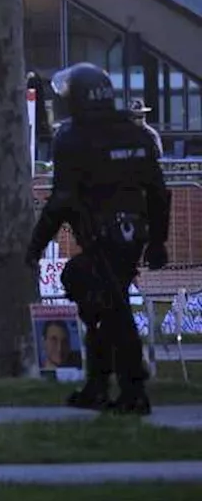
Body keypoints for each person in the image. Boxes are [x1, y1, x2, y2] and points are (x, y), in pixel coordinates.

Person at [26, 63, 169, 415]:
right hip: (133, 234)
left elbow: (61, 200)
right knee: (105, 305)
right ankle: (97, 386)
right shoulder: (136, 135)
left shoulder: (73, 138)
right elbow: (158, 193)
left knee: (108, 306)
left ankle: (133, 390)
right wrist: (156, 242)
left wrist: (35, 245)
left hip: (102, 236)